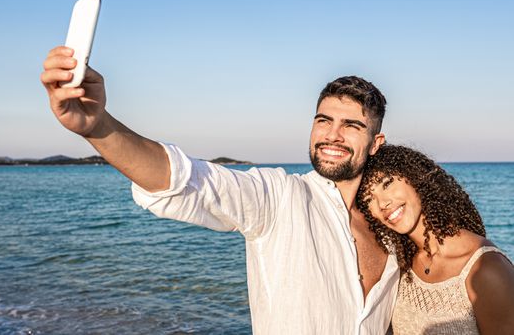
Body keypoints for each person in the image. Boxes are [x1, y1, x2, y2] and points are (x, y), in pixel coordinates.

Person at [41, 46, 400, 334]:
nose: (332, 135)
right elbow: (186, 181)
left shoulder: (392, 228)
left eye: (351, 125)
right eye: (324, 120)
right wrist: (97, 126)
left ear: (375, 143)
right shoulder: (279, 198)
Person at [356, 144, 514, 335]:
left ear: (413, 176)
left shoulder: (486, 268)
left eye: (387, 183)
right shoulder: (399, 265)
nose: (383, 203)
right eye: (368, 199)